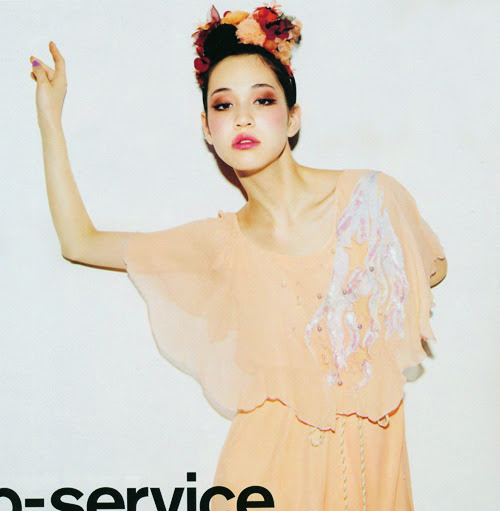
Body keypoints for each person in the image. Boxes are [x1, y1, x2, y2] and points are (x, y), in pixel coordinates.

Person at [30, 3, 447, 510]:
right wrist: (50, 119)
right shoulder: (218, 247)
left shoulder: (370, 203)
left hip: (369, 476)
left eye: (262, 99)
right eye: (223, 105)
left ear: (293, 118)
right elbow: (80, 243)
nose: (243, 117)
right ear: (208, 129)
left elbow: (431, 268)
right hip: (263, 480)